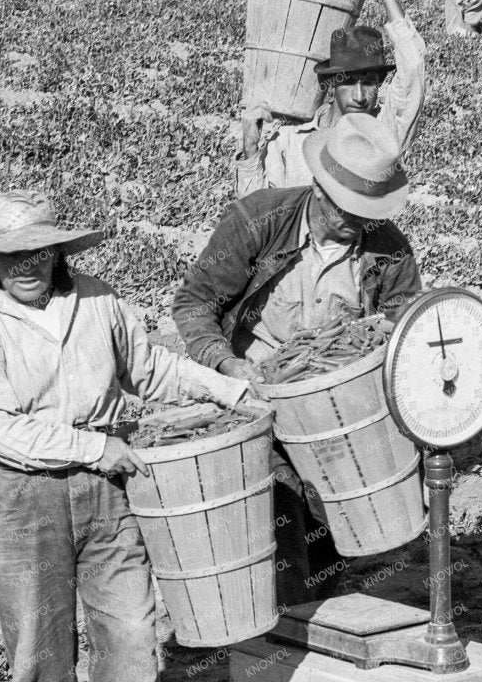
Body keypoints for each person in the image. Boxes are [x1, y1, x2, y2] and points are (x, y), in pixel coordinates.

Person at [0, 189, 253, 682]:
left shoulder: (98, 300)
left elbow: (150, 369)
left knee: (134, 640)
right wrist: (93, 445)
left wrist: (228, 387)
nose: (25, 265)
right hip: (23, 499)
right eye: (9, 256)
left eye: (37, 250)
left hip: (109, 495)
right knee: (38, 651)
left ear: (59, 248)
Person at [175, 115, 422, 606]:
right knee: (279, 509)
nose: (356, 221)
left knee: (327, 530)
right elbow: (194, 303)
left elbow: (404, 334)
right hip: (257, 399)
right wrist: (226, 365)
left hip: (339, 413)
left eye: (367, 211)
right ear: (319, 188)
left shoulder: (388, 250)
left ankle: (313, 614)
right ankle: (284, 632)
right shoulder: (258, 220)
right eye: (346, 208)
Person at [236, 0, 426, 196]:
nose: (360, 96)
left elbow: (413, 68)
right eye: (349, 82)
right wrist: (250, 146)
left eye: (368, 82)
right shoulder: (290, 139)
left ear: (380, 84)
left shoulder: (383, 135)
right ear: (331, 83)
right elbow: (255, 211)